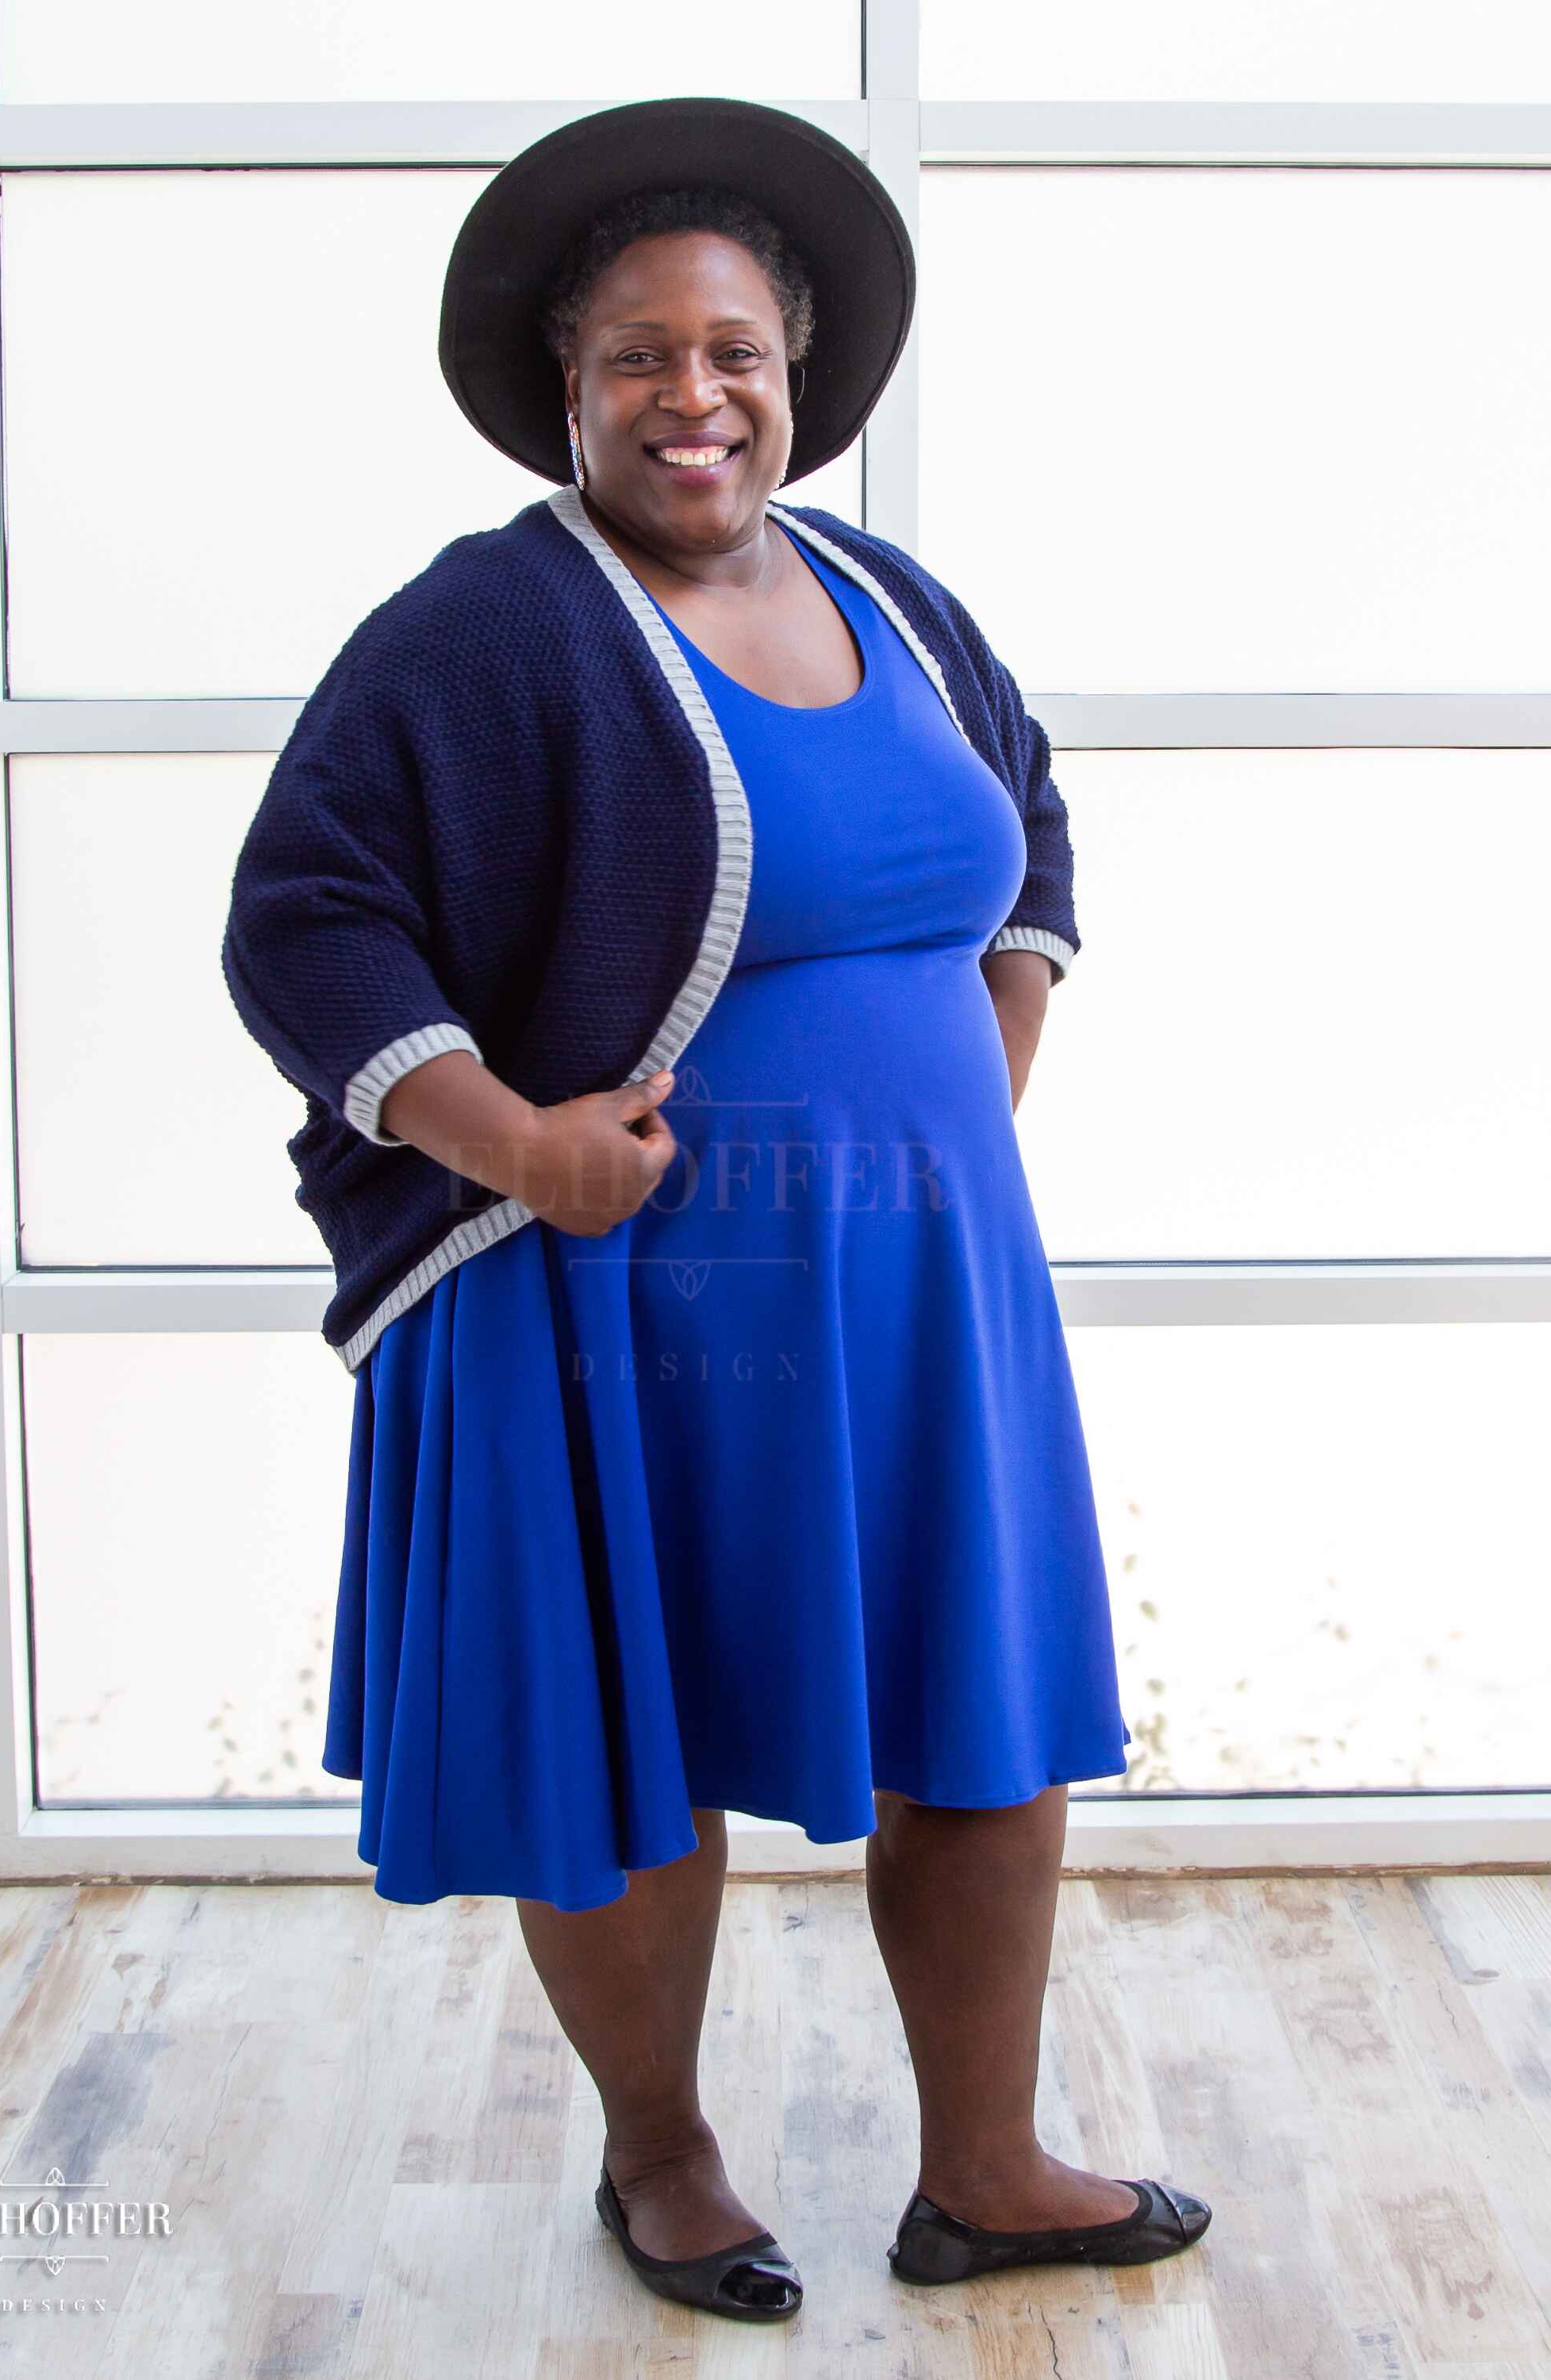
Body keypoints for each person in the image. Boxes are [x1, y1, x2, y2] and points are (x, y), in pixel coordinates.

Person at [222, 96, 1211, 2325]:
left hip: (927, 1292)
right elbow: (306, 920)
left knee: (985, 1712)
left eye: (736, 352)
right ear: (566, 392)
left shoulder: (886, 591)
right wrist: (519, 1145)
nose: (698, 396)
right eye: (643, 358)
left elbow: (1018, 827)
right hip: (622, 1299)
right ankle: (662, 2162)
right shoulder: (490, 632)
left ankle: (985, 2166)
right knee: (633, 1731)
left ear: (797, 372)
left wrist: (989, 1067)